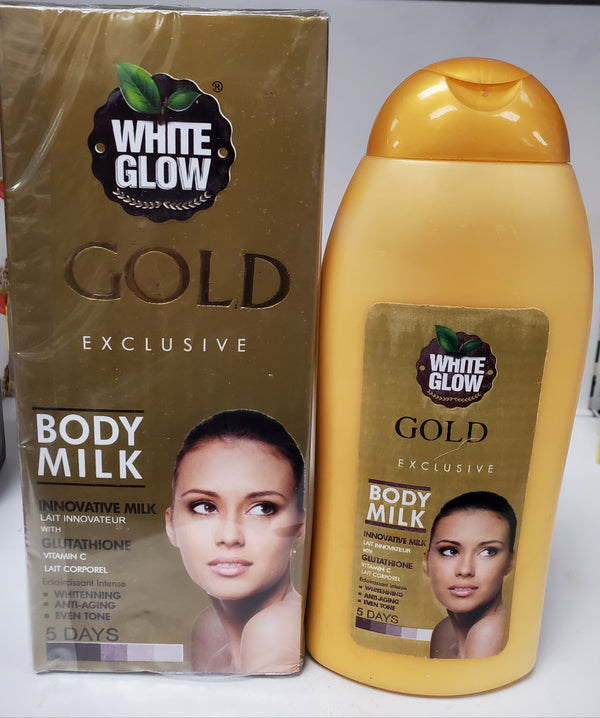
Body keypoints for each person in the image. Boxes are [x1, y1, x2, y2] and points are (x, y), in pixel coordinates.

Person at [165, 409, 306, 674]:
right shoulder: (210, 631)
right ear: (170, 524)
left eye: (263, 508)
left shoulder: (275, 631)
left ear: (300, 528)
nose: (230, 537)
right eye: (204, 507)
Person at [422, 491, 516, 659]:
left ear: (509, 562)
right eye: (450, 551)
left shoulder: (489, 632)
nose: (465, 570)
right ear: (426, 562)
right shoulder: (444, 633)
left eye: (488, 551)